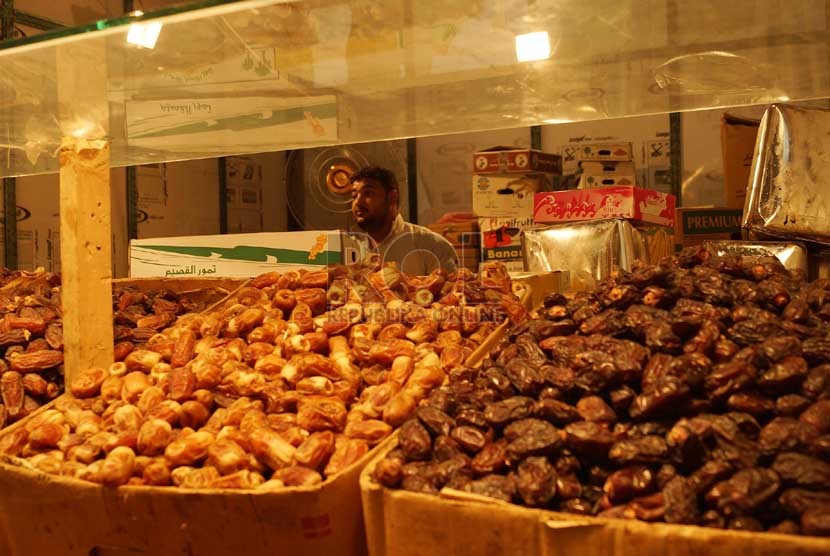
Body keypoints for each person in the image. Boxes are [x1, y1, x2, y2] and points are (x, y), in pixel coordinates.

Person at [350, 166, 459, 275]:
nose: (358, 202)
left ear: (392, 197)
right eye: (354, 196)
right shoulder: (351, 248)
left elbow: (452, 290)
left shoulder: (432, 245)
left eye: (368, 193)